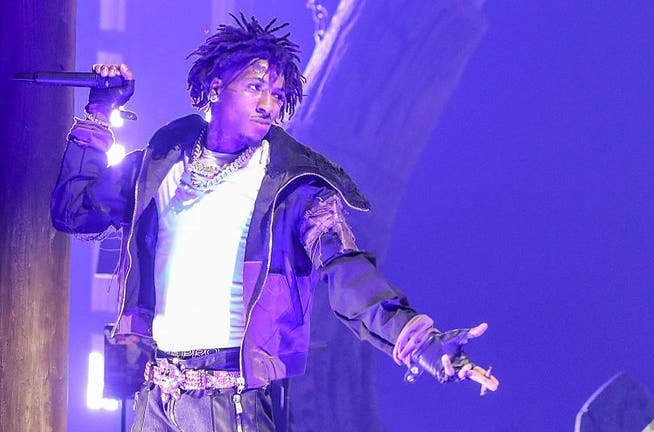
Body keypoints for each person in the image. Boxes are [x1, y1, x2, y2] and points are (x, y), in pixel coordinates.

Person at [52, 14, 499, 432]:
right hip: (157, 401)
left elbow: (346, 271)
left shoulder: (293, 184)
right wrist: (99, 113)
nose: (268, 104)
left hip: (229, 406)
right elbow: (74, 211)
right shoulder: (161, 161)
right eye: (255, 87)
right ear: (216, 84)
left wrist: (419, 340)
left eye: (278, 95)